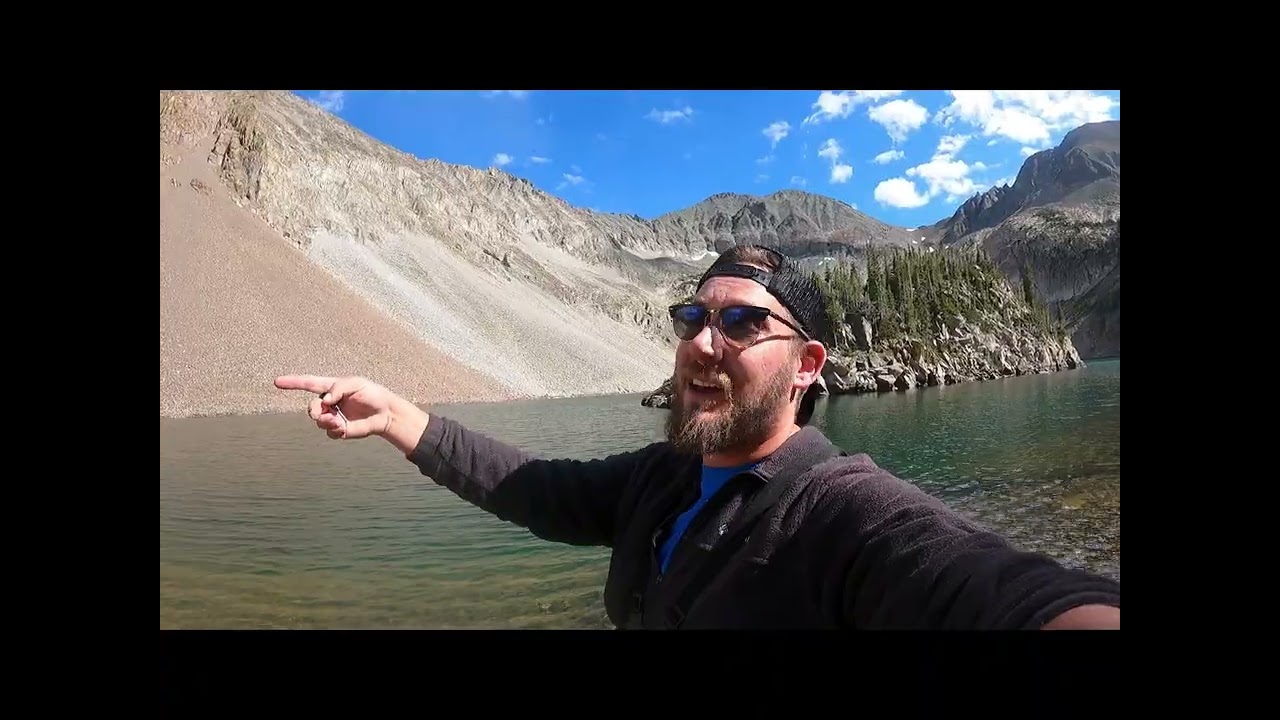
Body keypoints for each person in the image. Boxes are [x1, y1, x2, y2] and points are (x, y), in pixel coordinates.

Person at [274, 245, 1120, 630]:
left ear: (807, 363)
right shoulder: (664, 474)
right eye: (693, 316)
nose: (703, 343)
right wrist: (400, 418)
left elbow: (985, 583)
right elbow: (535, 488)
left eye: (743, 323)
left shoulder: (841, 509)